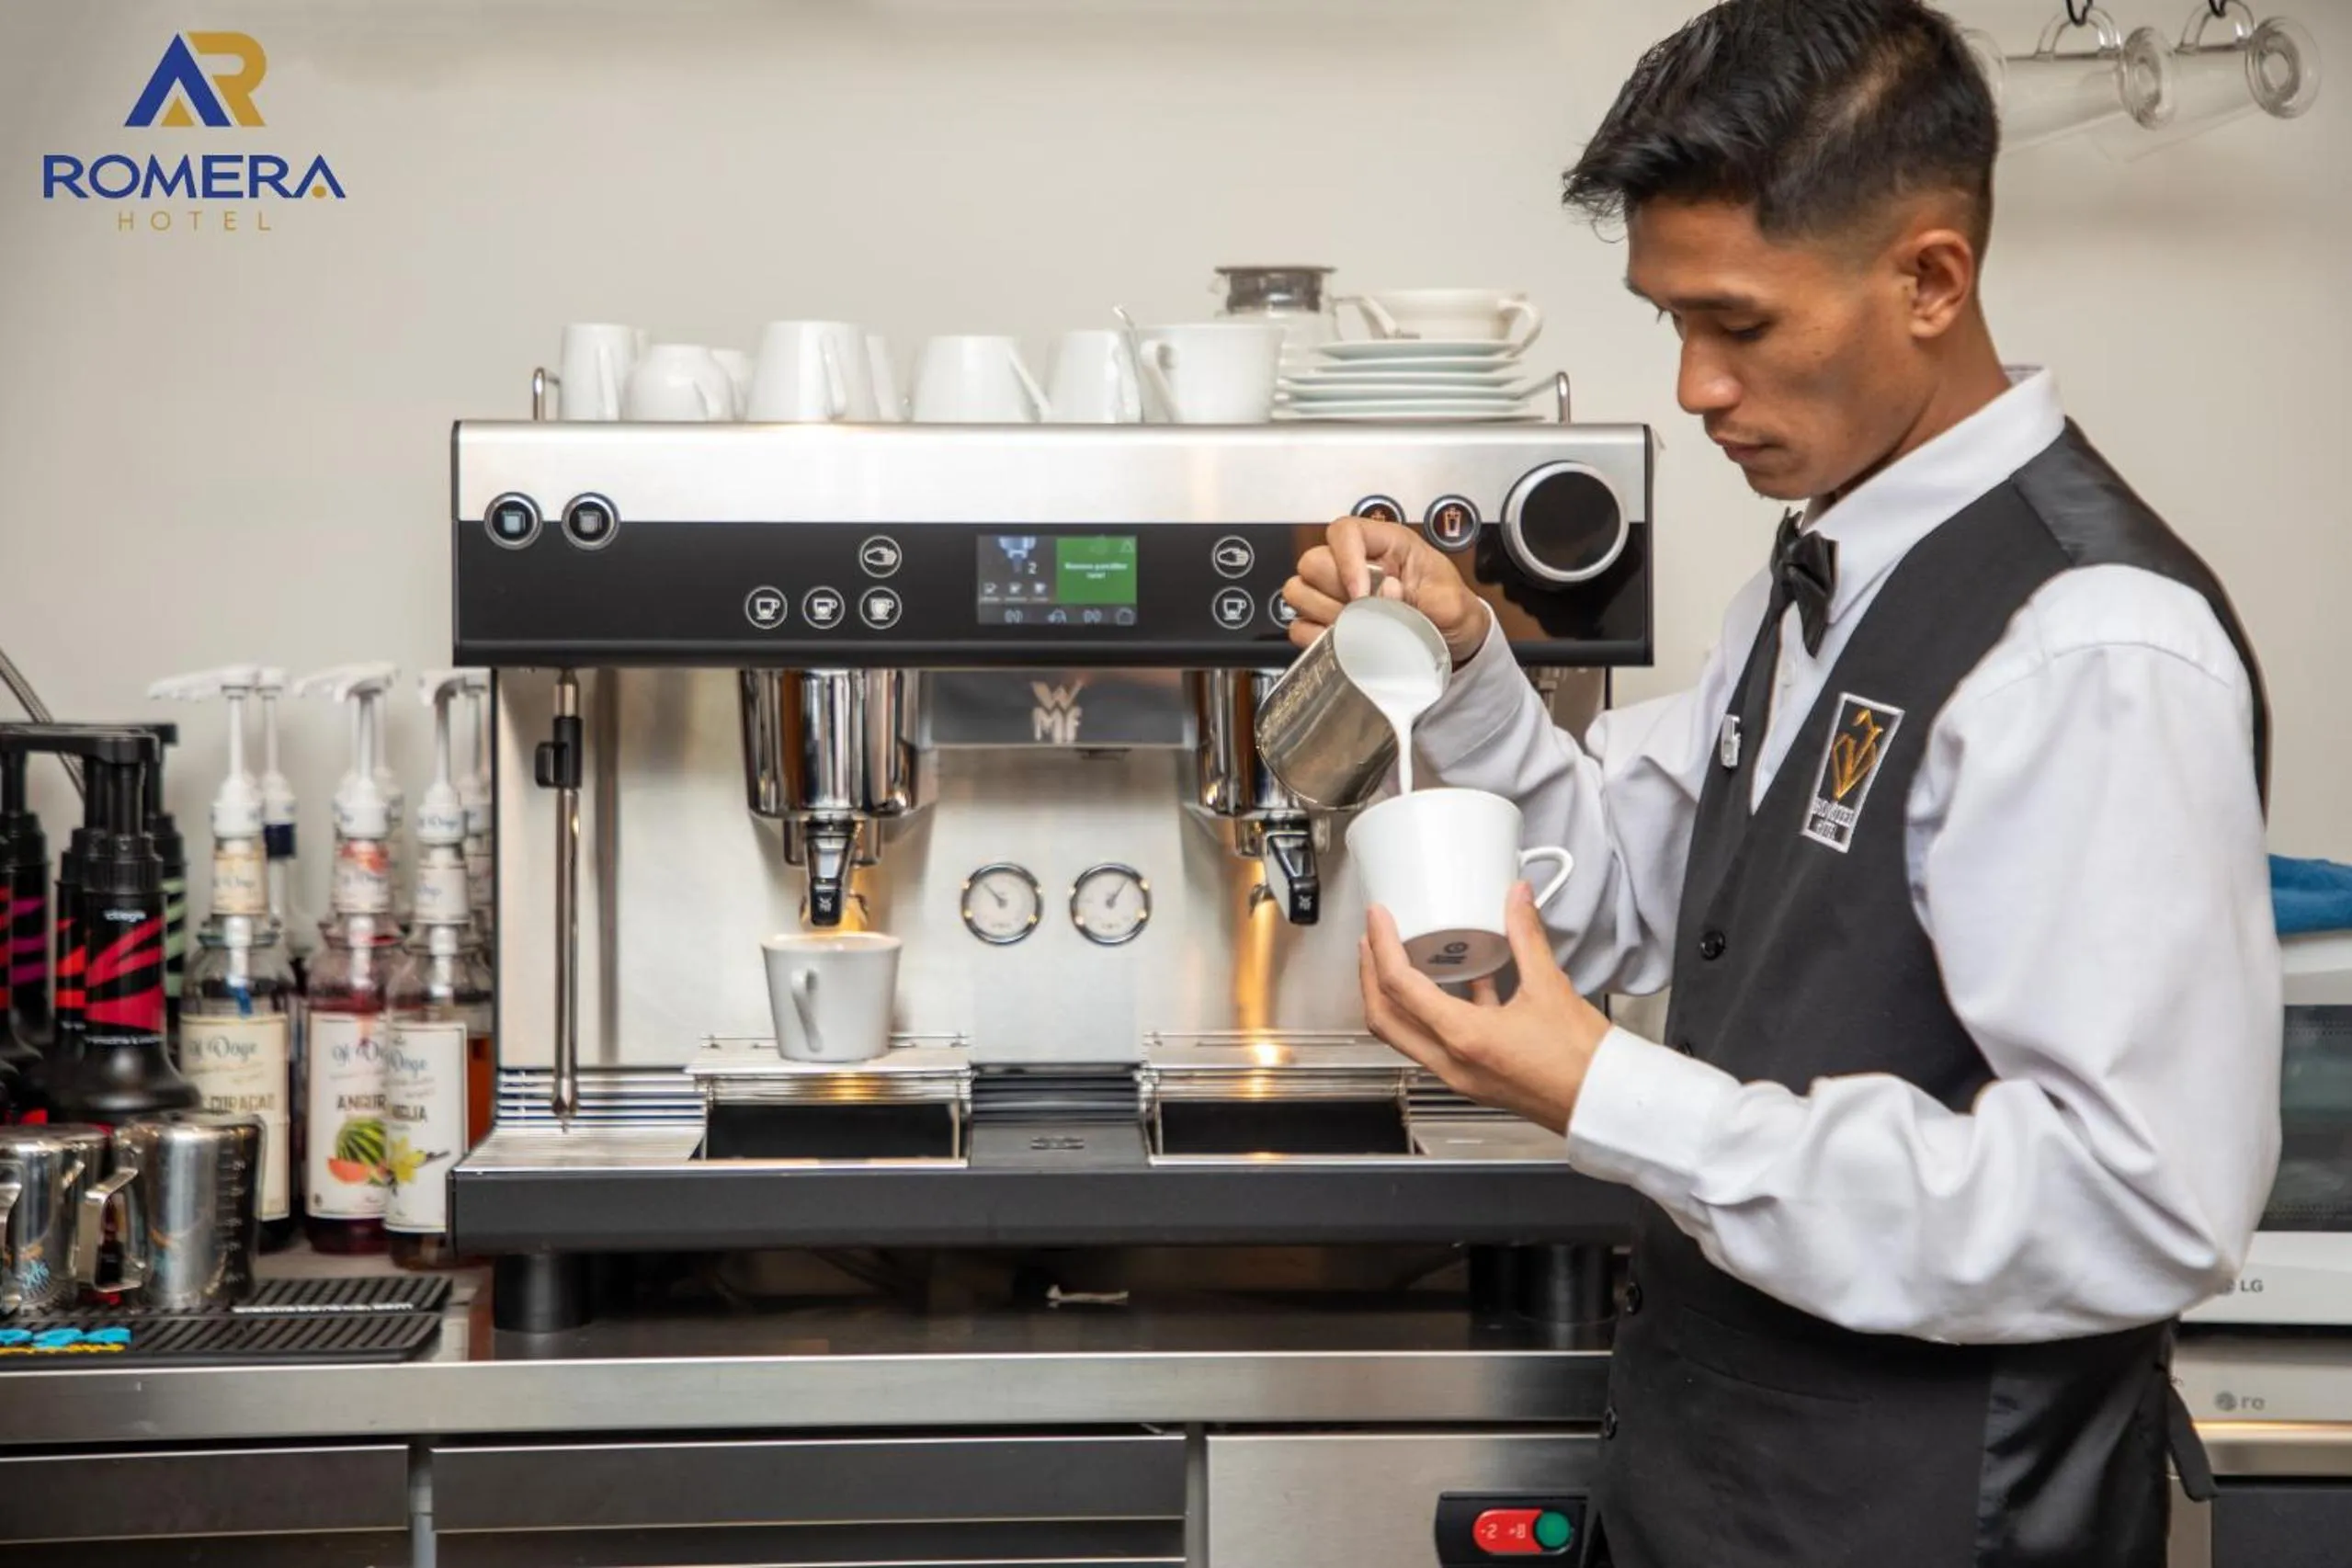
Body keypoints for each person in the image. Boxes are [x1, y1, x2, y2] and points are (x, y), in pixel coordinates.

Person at [1280, 2, 2281, 1564]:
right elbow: (1624, 899)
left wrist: (1601, 1088)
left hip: (1933, 1520)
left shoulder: (2089, 642)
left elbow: (2132, 1201)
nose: (1691, 387)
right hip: (1719, 1483)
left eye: (1737, 326)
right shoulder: (1830, 563)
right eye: (1666, 320)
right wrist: (1469, 660)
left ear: (1930, 279)